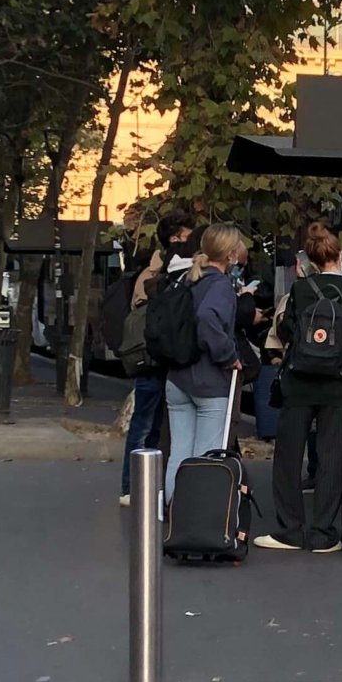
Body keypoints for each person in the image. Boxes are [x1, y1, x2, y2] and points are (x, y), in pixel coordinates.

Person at [254, 225, 342, 554]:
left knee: (287, 457)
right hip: (337, 386)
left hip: (299, 383)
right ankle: (324, 532)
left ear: (310, 261)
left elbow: (286, 328)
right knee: (331, 458)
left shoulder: (301, 290)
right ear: (340, 255)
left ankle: (290, 529)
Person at [159, 221, 249, 502]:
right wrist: (229, 356)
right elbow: (208, 318)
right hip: (208, 381)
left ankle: (174, 510)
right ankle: (194, 518)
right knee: (205, 458)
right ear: (230, 254)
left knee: (179, 452)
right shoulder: (220, 285)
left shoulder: (189, 278)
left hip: (177, 378)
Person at [115, 216, 193, 506]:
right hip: (153, 361)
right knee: (145, 425)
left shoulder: (162, 269)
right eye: (188, 236)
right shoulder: (158, 272)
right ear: (175, 238)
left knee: (152, 425)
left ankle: (143, 485)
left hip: (157, 360)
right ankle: (132, 486)